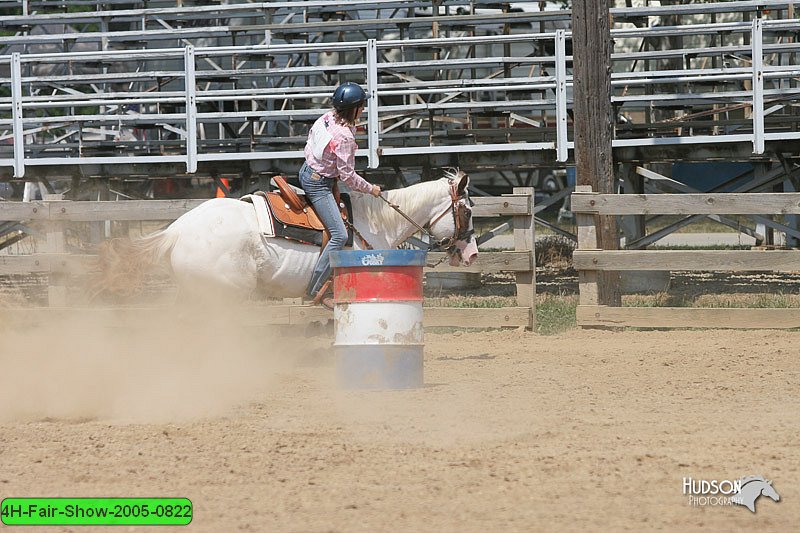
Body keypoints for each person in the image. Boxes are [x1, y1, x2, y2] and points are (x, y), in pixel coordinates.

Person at [299, 82, 382, 308]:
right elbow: (348, 177)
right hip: (319, 184)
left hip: (307, 170)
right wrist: (371, 189)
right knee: (339, 235)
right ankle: (314, 288)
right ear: (353, 109)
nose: (363, 110)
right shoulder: (345, 136)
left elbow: (311, 140)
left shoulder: (326, 118)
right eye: (361, 106)